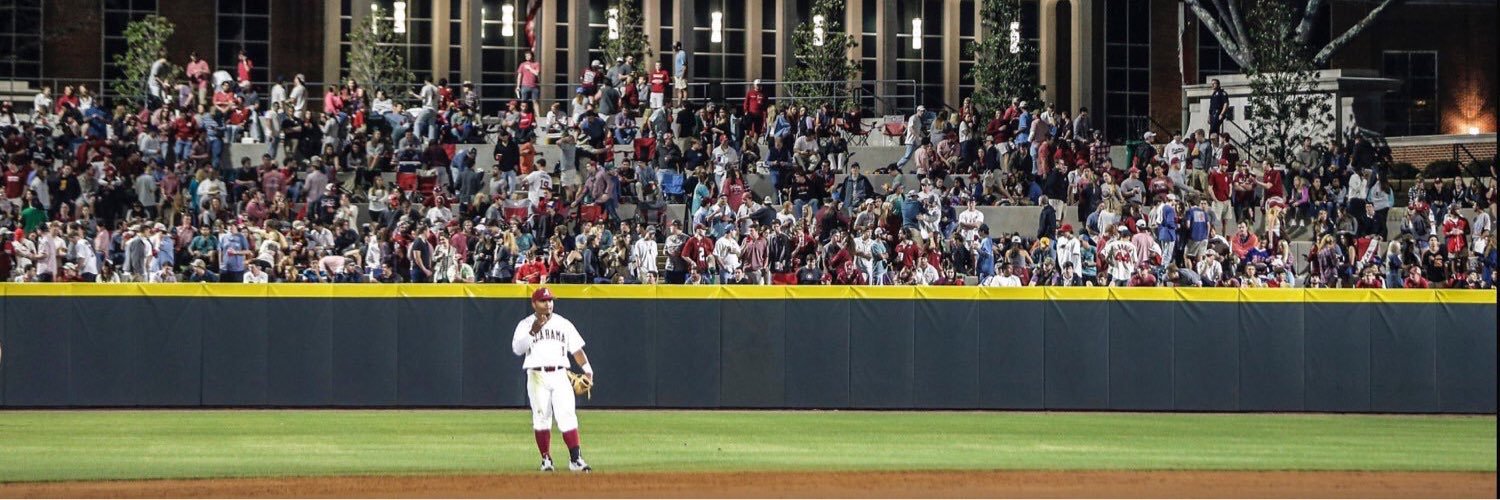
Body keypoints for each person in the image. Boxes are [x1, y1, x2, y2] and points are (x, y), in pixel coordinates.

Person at [511, 287, 594, 473]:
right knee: (541, 418)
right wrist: (533, 331)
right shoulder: (525, 324)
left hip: (560, 374)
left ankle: (576, 459)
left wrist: (588, 370)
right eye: (543, 301)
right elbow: (517, 349)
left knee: (567, 416)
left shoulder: (563, 324)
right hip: (536, 375)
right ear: (534, 304)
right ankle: (546, 459)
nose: (548, 304)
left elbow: (577, 350)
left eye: (550, 300)